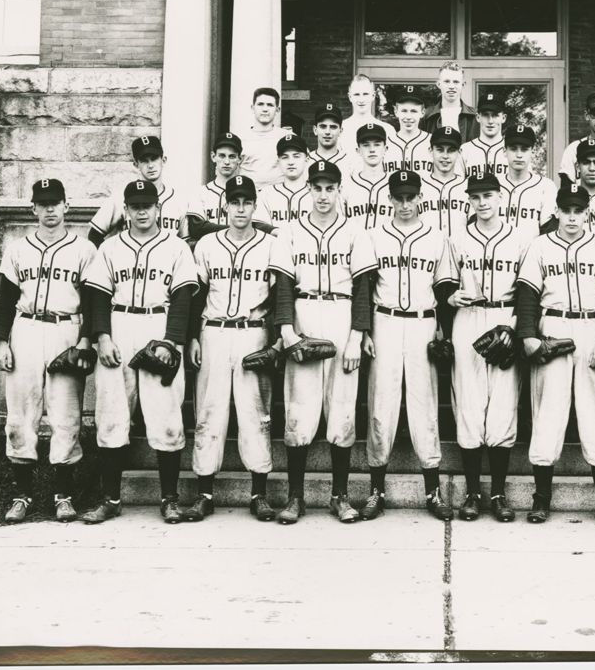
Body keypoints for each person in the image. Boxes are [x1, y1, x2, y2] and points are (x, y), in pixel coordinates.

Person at [80, 180, 199, 524]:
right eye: (135, 206)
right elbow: (98, 296)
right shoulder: (110, 247)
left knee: (166, 415)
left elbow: (183, 298)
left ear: (159, 208)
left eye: (148, 204)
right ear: (126, 210)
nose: (142, 211)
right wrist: (101, 337)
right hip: (120, 326)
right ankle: (111, 498)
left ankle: (169, 499)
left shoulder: (176, 247)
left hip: (158, 327)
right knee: (111, 414)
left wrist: (170, 342)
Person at [270, 161, 377, 524]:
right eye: (317, 187)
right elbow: (283, 286)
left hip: (341, 313)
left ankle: (340, 496)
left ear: (339, 191)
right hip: (304, 314)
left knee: (343, 409)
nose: (323, 194)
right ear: (308, 190)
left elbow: (364, 289)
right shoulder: (289, 232)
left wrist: (357, 336)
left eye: (329, 188)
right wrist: (286, 331)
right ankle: (295, 497)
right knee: (298, 408)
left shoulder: (355, 232)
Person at [515, 181, 595, 524]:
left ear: (587, 214)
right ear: (557, 212)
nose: (573, 217)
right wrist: (528, 337)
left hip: (591, 330)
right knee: (547, 413)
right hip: (555, 329)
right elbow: (528, 295)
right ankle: (541, 497)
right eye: (567, 211)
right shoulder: (539, 246)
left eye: (579, 211)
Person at [0, 178, 98, 524]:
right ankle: (21, 495)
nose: (50, 209)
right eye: (43, 203)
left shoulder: (84, 250)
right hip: (26, 328)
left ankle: (62, 495)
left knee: (66, 414)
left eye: (56, 202)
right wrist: (1, 341)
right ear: (33, 208)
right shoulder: (18, 249)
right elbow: (6, 300)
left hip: (66, 330)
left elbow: (95, 302)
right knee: (20, 415)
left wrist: (85, 340)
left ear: (67, 206)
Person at [182, 176, 279, 523]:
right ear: (225, 205)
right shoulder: (207, 244)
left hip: (252, 332)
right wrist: (192, 336)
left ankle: (259, 494)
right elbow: (196, 295)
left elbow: (280, 293)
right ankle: (204, 493)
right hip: (214, 332)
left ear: (255, 206)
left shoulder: (269, 245)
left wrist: (274, 338)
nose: (240, 208)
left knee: (256, 412)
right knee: (209, 412)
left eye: (246, 202)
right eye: (234, 201)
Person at [364, 170, 456, 521]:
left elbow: (445, 289)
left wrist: (443, 330)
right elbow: (364, 287)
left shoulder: (437, 237)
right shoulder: (374, 236)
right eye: (398, 197)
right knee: (380, 407)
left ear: (421, 198)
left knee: (424, 406)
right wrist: (365, 330)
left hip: (423, 322)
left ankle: (432, 491)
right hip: (385, 321)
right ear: (389, 199)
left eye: (410, 197)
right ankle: (376, 490)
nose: (405, 204)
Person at [446, 172, 528, 522]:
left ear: (500, 197)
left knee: (503, 406)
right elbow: (444, 285)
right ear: (469, 200)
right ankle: (471, 492)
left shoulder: (522, 238)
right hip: (468, 319)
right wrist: (450, 297)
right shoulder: (456, 238)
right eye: (476, 196)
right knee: (468, 403)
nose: (482, 202)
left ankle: (497, 492)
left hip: (505, 319)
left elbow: (529, 291)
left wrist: (514, 328)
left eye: (488, 195)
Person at [88, 135, 193, 245]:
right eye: (144, 161)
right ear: (136, 164)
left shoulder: (178, 200)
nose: (150, 165)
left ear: (163, 160)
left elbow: (184, 242)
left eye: (154, 159)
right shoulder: (121, 197)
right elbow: (94, 235)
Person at [498, 124, 557, 243]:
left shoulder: (546, 187)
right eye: (513, 148)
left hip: (531, 259)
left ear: (533, 151)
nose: (519, 155)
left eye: (524, 149)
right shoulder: (493, 185)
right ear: (504, 151)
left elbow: (549, 234)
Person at [418, 126, 470, 238]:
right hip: (426, 252)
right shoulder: (418, 186)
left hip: (461, 253)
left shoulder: (468, 187)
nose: (445, 156)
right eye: (440, 150)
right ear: (430, 151)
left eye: (451, 150)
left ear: (459, 152)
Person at [238, 87, 294, 189]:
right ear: (252, 108)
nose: (265, 109)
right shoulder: (240, 139)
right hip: (248, 196)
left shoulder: (288, 137)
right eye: (260, 104)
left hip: (279, 196)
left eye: (270, 105)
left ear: (277, 110)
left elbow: (300, 166)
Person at [188, 133, 243, 234]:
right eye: (222, 156)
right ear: (213, 157)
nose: (226, 162)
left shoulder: (250, 192)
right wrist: (235, 231)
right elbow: (196, 228)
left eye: (232, 156)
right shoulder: (201, 193)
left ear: (239, 159)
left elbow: (256, 226)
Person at [342, 123, 394, 229]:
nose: (372, 149)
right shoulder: (346, 185)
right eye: (366, 145)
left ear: (385, 149)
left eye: (377, 144)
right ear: (358, 150)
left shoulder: (395, 185)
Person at [257, 132, 313, 229]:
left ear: (307, 159)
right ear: (278, 162)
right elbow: (259, 228)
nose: (291, 162)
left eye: (296, 156)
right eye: (285, 157)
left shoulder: (317, 194)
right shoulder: (266, 194)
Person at [384, 85, 438, 174]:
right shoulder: (386, 143)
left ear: (422, 112)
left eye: (414, 111)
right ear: (396, 111)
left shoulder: (433, 142)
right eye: (404, 111)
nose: (408, 117)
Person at [420, 61, 479, 142]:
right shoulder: (426, 116)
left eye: (456, 82)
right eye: (447, 81)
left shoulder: (474, 116)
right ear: (439, 84)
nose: (451, 86)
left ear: (463, 84)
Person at [460, 92, 509, 177]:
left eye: (495, 115)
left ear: (503, 118)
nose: (490, 121)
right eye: (486, 115)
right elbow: (457, 185)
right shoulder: (465, 150)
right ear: (478, 117)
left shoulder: (513, 150)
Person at [307, 101, 363, 176]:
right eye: (323, 126)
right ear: (315, 130)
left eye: (333, 127)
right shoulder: (305, 161)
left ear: (340, 131)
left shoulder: (352, 163)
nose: (327, 132)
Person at [341, 75, 396, 143]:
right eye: (357, 94)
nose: (361, 100)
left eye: (365, 94)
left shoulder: (387, 130)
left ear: (373, 96)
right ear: (350, 97)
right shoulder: (340, 129)